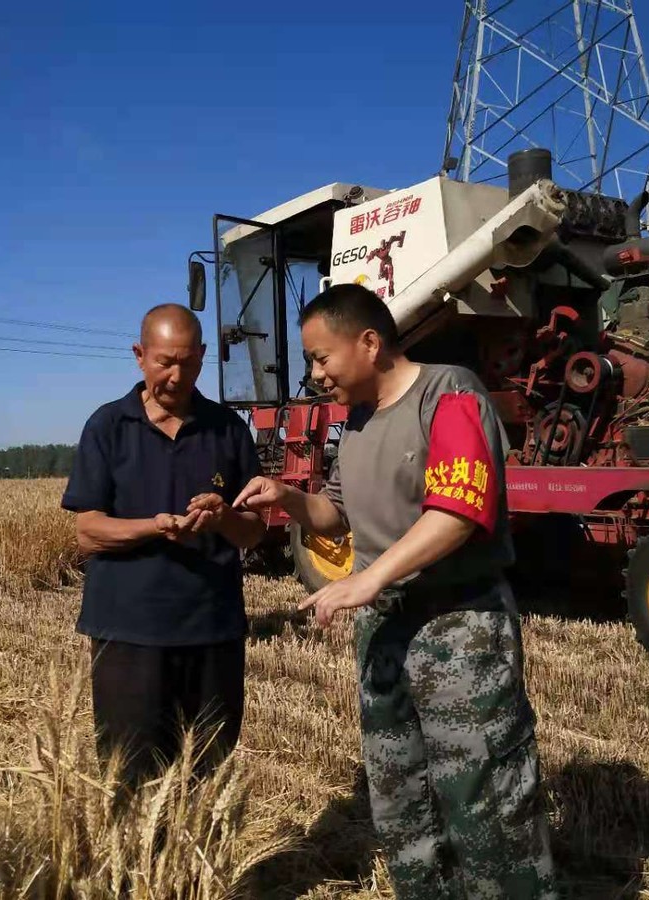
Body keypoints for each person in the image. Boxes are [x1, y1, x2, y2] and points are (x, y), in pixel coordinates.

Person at [233, 283, 557, 899]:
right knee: (402, 799)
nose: (315, 374)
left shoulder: (448, 392)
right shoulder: (356, 421)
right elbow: (334, 515)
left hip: (458, 627)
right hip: (385, 631)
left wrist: (371, 576)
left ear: (369, 343)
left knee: (485, 798)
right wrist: (287, 497)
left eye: (321, 358)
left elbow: (458, 511)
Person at [61, 303, 266, 791]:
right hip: (129, 634)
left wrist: (223, 518)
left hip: (213, 631)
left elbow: (254, 532)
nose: (176, 376)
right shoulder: (108, 427)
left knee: (209, 776)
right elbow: (88, 531)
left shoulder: (228, 429)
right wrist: (154, 527)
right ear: (139, 355)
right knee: (131, 780)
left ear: (202, 356)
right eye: (164, 362)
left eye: (188, 363)